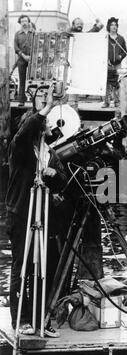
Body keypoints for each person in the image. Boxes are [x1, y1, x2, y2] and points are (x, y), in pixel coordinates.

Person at [6, 86, 67, 336]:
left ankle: (41, 319)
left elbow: (62, 179)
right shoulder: (20, 150)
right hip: (22, 213)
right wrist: (45, 107)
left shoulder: (48, 153)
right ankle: (20, 319)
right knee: (22, 266)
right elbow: (23, 134)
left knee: (42, 267)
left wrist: (54, 175)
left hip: (42, 214)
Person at [102, 17, 127, 108]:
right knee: (106, 83)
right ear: (109, 26)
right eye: (112, 25)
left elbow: (125, 52)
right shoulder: (105, 37)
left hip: (117, 64)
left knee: (117, 83)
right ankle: (106, 102)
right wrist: (105, 60)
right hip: (107, 64)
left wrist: (120, 57)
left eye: (115, 25)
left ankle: (117, 101)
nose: (114, 26)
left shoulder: (121, 38)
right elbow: (101, 50)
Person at [14, 15, 34, 106]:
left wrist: (31, 56)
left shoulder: (33, 33)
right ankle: (21, 100)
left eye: (26, 21)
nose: (24, 23)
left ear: (28, 22)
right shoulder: (17, 34)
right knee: (22, 80)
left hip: (32, 60)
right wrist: (23, 55)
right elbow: (16, 48)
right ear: (20, 23)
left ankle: (35, 100)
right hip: (21, 60)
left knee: (34, 80)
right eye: (22, 21)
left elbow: (38, 45)